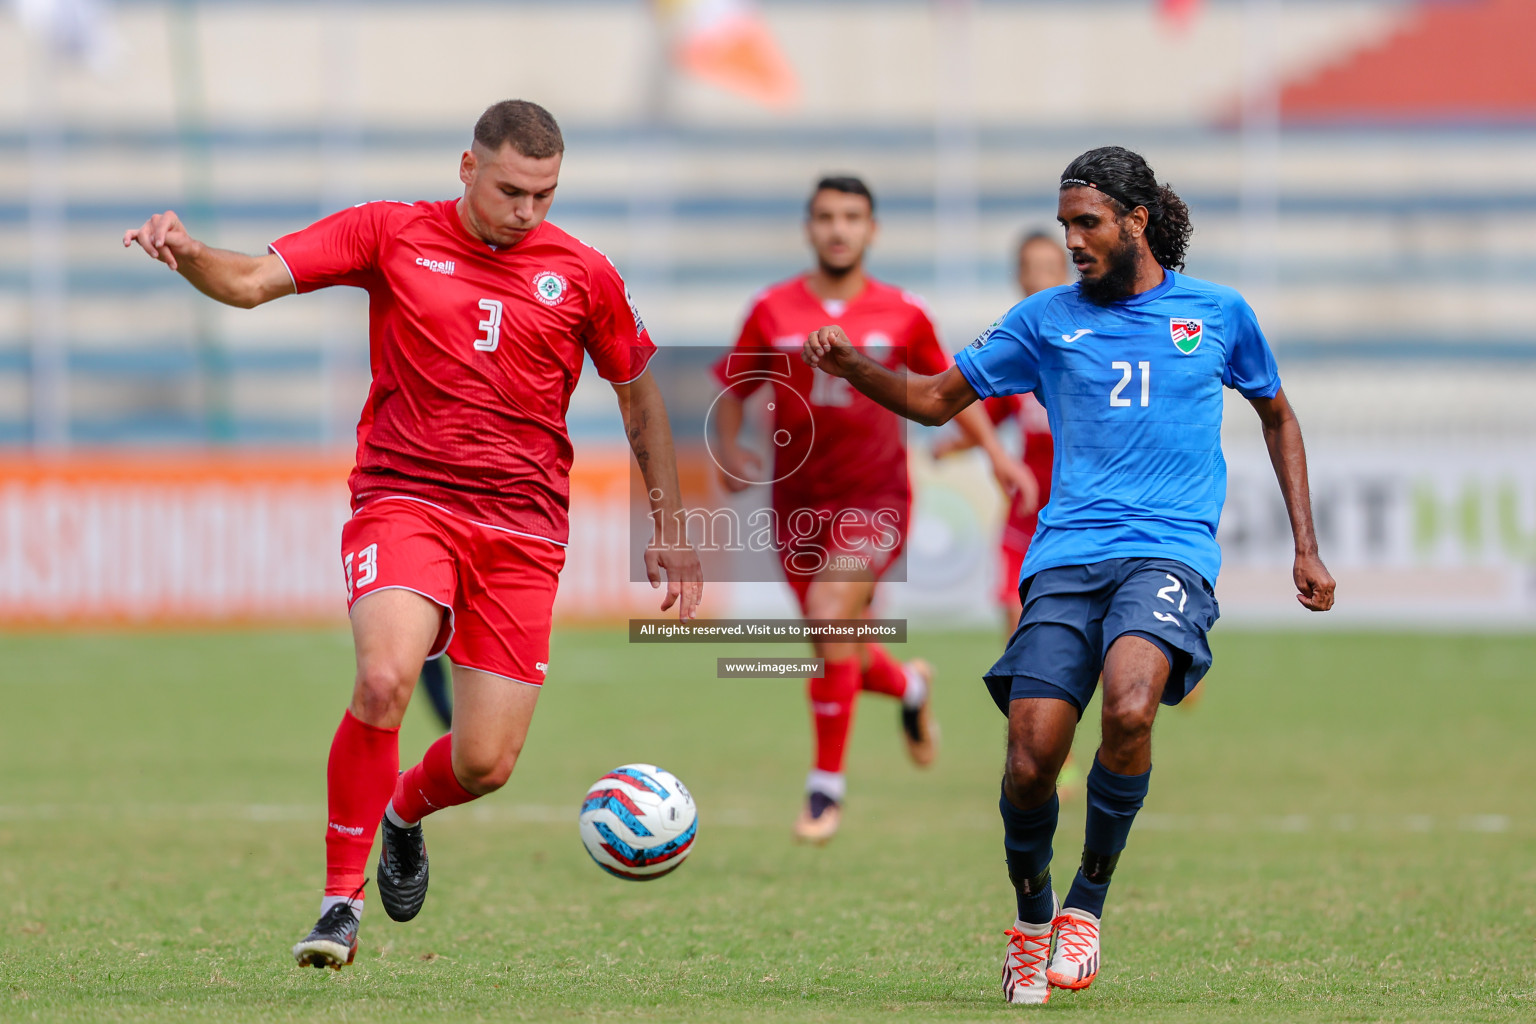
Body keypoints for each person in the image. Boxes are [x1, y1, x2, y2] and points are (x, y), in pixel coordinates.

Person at [123, 99, 702, 970]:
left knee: (485, 764)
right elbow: (246, 283)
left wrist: (670, 521)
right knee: (386, 677)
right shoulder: (388, 233)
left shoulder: (584, 273)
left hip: (523, 527)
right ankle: (336, 905)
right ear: (467, 169)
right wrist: (188, 252)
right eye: (511, 189)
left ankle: (402, 813)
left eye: (545, 194)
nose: (527, 211)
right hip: (406, 499)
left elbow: (639, 394)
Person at [803, 146, 1335, 1004]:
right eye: (1064, 225)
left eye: (1086, 224)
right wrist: (853, 368)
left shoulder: (1219, 313)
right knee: (1029, 759)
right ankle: (1031, 921)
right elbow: (938, 399)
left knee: (1130, 702)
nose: (1073, 240)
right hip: (1066, 557)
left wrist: (1305, 545)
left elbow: (1278, 414)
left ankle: (1086, 907)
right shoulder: (1044, 319)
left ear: (1139, 221)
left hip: (1169, 552)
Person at [712, 176, 1031, 844]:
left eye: (851, 217)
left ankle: (825, 788)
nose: (838, 229)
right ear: (809, 226)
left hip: (875, 499)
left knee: (832, 618)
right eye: (826, 216)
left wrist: (998, 458)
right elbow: (735, 391)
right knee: (838, 650)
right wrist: (727, 448)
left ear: (871, 229)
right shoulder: (770, 309)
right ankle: (910, 686)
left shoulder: (903, 312)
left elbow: (949, 390)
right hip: (795, 501)